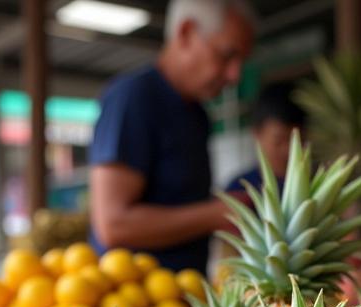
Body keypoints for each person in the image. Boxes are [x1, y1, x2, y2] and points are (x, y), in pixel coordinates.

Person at [89, 0, 256, 273]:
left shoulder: (198, 114)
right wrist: (216, 214)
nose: (235, 75)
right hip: (136, 304)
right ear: (187, 32)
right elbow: (112, 225)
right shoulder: (134, 98)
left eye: (241, 61)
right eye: (226, 55)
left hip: (184, 297)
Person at [225, 83, 305, 194]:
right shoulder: (240, 190)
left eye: (299, 140)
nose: (288, 149)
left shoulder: (316, 184)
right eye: (278, 141)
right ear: (256, 134)